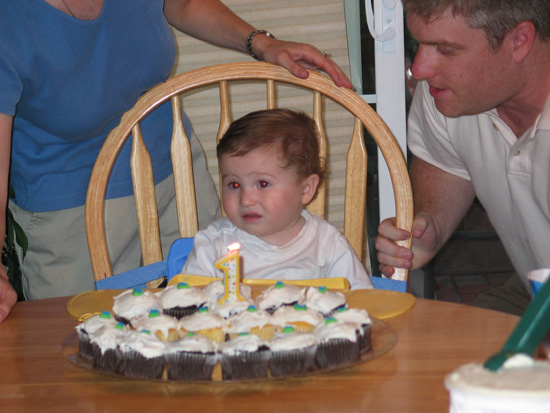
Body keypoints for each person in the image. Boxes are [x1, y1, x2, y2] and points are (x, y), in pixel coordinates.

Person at [0, 0, 353, 323]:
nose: (247, 197)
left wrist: (261, 43)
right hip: (68, 207)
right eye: (237, 184)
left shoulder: (322, 243)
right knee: (80, 341)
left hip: (176, 174)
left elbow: (182, 4)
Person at [375, 0, 550, 315]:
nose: (419, 69)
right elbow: (444, 163)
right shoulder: (450, 94)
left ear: (519, 41)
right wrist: (431, 225)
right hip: (535, 289)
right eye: (418, 43)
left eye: (445, 49)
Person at [181, 109, 373, 290]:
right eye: (234, 185)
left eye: (263, 184)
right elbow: (186, 302)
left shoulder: (327, 244)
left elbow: (361, 301)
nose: (246, 200)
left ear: (306, 189)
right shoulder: (214, 244)